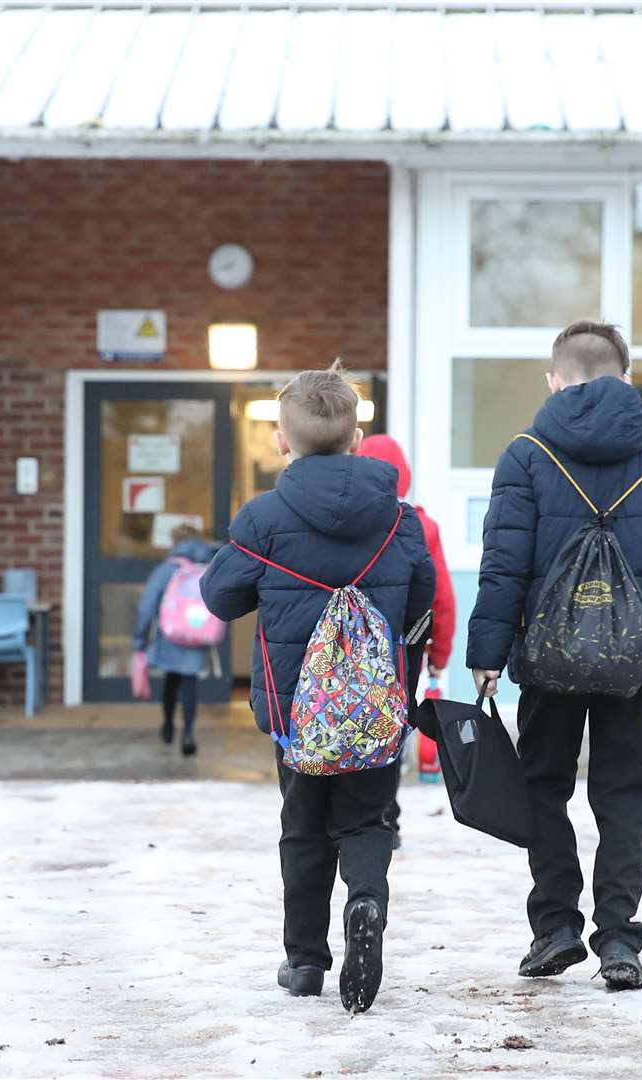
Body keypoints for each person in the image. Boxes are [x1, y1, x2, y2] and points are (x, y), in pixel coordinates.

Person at [467, 320, 642, 992]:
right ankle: (618, 941)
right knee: (624, 793)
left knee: (542, 785)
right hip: (631, 661)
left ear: (554, 380)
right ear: (624, 379)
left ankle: (554, 927)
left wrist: (486, 652)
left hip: (545, 659)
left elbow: (502, 565)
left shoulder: (524, 457)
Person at [199, 365, 434, 1014]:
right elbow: (423, 602)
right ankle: (364, 900)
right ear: (358, 438)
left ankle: (304, 961)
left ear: (282, 440)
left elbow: (219, 599)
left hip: (294, 712)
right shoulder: (399, 519)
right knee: (365, 819)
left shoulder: (264, 517)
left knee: (302, 827)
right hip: (372, 707)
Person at [356, 434, 456, 848]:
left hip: (352, 644)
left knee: (352, 720)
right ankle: (387, 814)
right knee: (391, 727)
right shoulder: (421, 525)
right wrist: (439, 652)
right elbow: (441, 596)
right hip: (404, 646)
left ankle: (354, 811)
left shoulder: (345, 519)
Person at [132, 523, 214, 757]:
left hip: (169, 634)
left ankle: (168, 724)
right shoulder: (206, 568)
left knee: (171, 681)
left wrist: (140, 639)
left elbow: (146, 606)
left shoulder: (166, 569)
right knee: (190, 684)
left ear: (174, 543)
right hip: (196, 633)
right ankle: (188, 732)